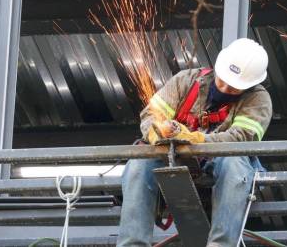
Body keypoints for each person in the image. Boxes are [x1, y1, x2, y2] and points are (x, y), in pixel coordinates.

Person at [117, 38, 273, 247]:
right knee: (139, 162)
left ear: (251, 84)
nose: (225, 88)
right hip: (172, 161)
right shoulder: (185, 81)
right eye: (222, 80)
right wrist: (157, 133)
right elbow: (150, 116)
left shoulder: (258, 100)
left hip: (222, 166)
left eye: (234, 87)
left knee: (234, 163)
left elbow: (241, 138)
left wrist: (196, 139)